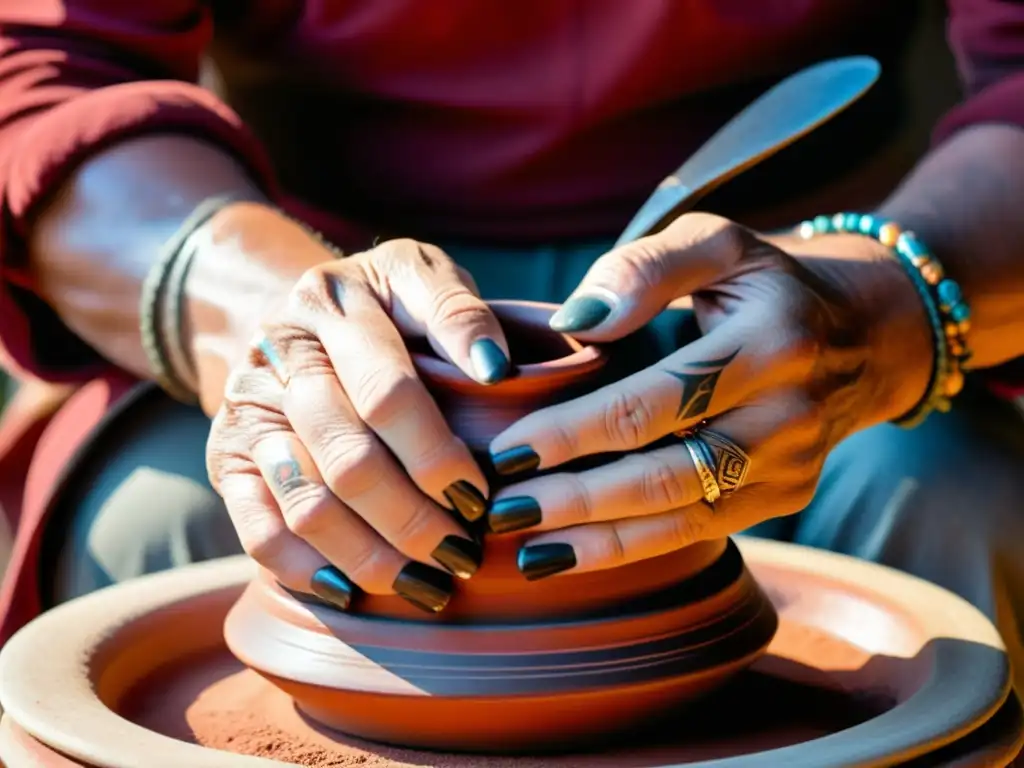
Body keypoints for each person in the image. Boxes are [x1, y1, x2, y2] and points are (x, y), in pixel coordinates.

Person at [0, 1, 1022, 684]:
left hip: (795, 278)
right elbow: (42, 63)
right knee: (158, 527)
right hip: (315, 258)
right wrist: (263, 315)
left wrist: (885, 306)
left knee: (948, 502)